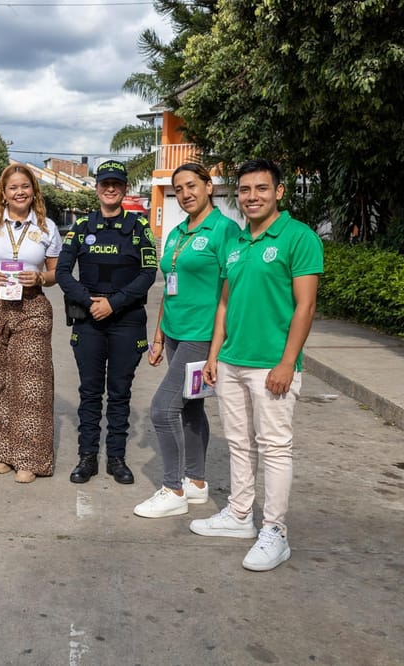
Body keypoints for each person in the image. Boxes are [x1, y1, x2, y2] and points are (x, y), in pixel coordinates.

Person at [191, 159, 323, 571]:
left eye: (261, 189)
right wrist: (214, 355)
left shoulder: (298, 238)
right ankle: (239, 515)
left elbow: (306, 305)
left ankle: (276, 531)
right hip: (231, 361)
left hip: (272, 365)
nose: (252, 197)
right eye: (245, 190)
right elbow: (225, 303)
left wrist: (288, 362)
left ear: (278, 192)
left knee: (275, 447)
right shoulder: (234, 242)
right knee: (238, 442)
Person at [134, 163, 240, 518]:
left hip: (202, 335)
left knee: (163, 409)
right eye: (178, 189)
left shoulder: (224, 230)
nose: (185, 194)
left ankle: (173, 488)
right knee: (191, 407)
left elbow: (231, 289)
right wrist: (160, 335)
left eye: (192, 185)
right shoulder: (178, 232)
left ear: (209, 187)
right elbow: (170, 285)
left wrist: (218, 347)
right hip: (176, 334)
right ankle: (196, 482)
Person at [55, 160, 157, 485]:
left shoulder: (140, 227)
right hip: (89, 321)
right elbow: (61, 273)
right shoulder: (81, 227)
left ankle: (116, 458)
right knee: (89, 393)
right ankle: (87, 457)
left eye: (116, 183)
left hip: (126, 320)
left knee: (119, 393)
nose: (110, 188)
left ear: (125, 189)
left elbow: (148, 274)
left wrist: (113, 304)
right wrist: (90, 303)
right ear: (97, 188)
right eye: (105, 183)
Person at [0, 165, 62, 483]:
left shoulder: (47, 227)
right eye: (13, 187)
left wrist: (40, 277)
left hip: (32, 304)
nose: (19, 192)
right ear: (3, 193)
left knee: (30, 382)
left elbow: (55, 273)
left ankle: (28, 458)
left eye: (25, 186)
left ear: (33, 190)